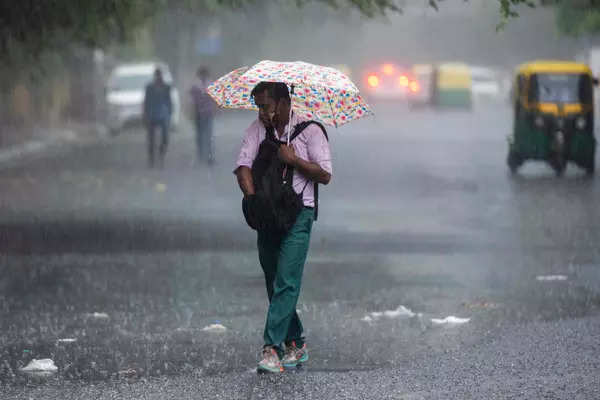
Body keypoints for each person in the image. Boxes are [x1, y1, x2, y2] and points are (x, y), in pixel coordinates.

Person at [234, 81, 332, 373]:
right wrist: (251, 199)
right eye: (258, 106)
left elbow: (325, 174)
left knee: (286, 279)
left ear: (282, 102)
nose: (261, 112)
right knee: (272, 276)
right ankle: (295, 341)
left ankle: (271, 349)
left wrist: (295, 160)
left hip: (299, 213)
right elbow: (243, 167)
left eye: (265, 105)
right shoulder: (256, 130)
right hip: (267, 213)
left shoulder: (310, 130)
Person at [143, 68, 172, 168]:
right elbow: (146, 102)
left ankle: (161, 154)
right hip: (152, 114)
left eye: (159, 75)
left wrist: (170, 114)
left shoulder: (166, 87)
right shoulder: (149, 87)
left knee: (165, 138)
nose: (158, 77)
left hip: (163, 115)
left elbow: (169, 102)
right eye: (157, 75)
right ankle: (151, 159)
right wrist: (145, 115)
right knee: (151, 139)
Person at [189, 66, 216, 165]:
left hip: (206, 114)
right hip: (200, 114)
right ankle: (203, 155)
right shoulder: (198, 86)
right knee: (201, 136)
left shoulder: (208, 85)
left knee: (207, 136)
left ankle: (208, 156)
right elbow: (192, 101)